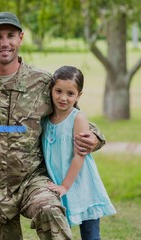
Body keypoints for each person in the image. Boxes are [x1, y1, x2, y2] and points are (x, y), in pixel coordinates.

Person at [0, 12, 106, 240]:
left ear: (20, 38)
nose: (5, 43)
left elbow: (72, 115)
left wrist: (95, 137)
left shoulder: (42, 82)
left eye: (10, 35)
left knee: (50, 210)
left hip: (33, 181)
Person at [41, 66, 116, 240]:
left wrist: (65, 186)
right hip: (59, 181)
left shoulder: (78, 118)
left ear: (78, 95)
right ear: (51, 90)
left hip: (81, 185)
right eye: (58, 91)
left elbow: (79, 155)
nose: (63, 98)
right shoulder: (46, 118)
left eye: (70, 93)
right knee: (61, 231)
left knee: (90, 234)